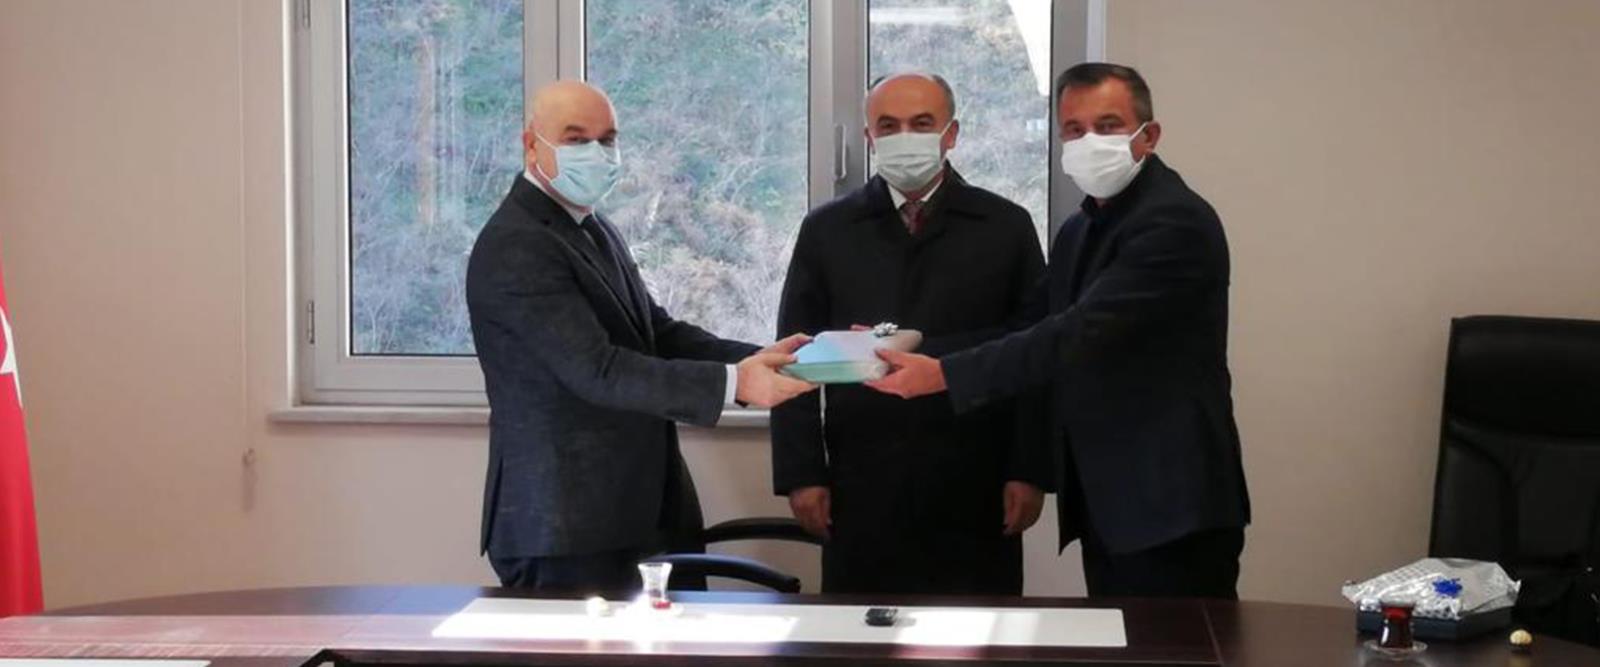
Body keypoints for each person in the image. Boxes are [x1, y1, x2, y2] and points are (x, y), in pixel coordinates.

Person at [867, 63, 1251, 599]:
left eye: (1108, 126)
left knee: (1175, 642)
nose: (1089, 141)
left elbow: (1075, 335)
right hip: (1111, 500)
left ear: (1149, 136)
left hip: (1172, 500)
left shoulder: (1173, 222)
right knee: (1120, 636)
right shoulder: (1082, 226)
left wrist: (942, 375)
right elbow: (1028, 325)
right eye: (1074, 129)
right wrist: (908, 348)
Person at [465, 80, 816, 592]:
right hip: (569, 528)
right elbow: (598, 370)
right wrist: (735, 383)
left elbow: (657, 333)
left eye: (607, 140)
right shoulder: (518, 243)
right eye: (576, 139)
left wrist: (764, 358)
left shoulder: (590, 226)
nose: (597, 154)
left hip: (640, 513)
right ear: (531, 145)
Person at [771, 73, 1051, 595]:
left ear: (951, 134)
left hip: (976, 476)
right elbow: (793, 355)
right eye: (888, 125)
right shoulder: (827, 230)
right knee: (859, 628)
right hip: (861, 478)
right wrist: (802, 474)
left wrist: (1030, 469)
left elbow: (1034, 355)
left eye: (921, 124)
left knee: (980, 629)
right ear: (869, 137)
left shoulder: (1005, 226)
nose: (904, 137)